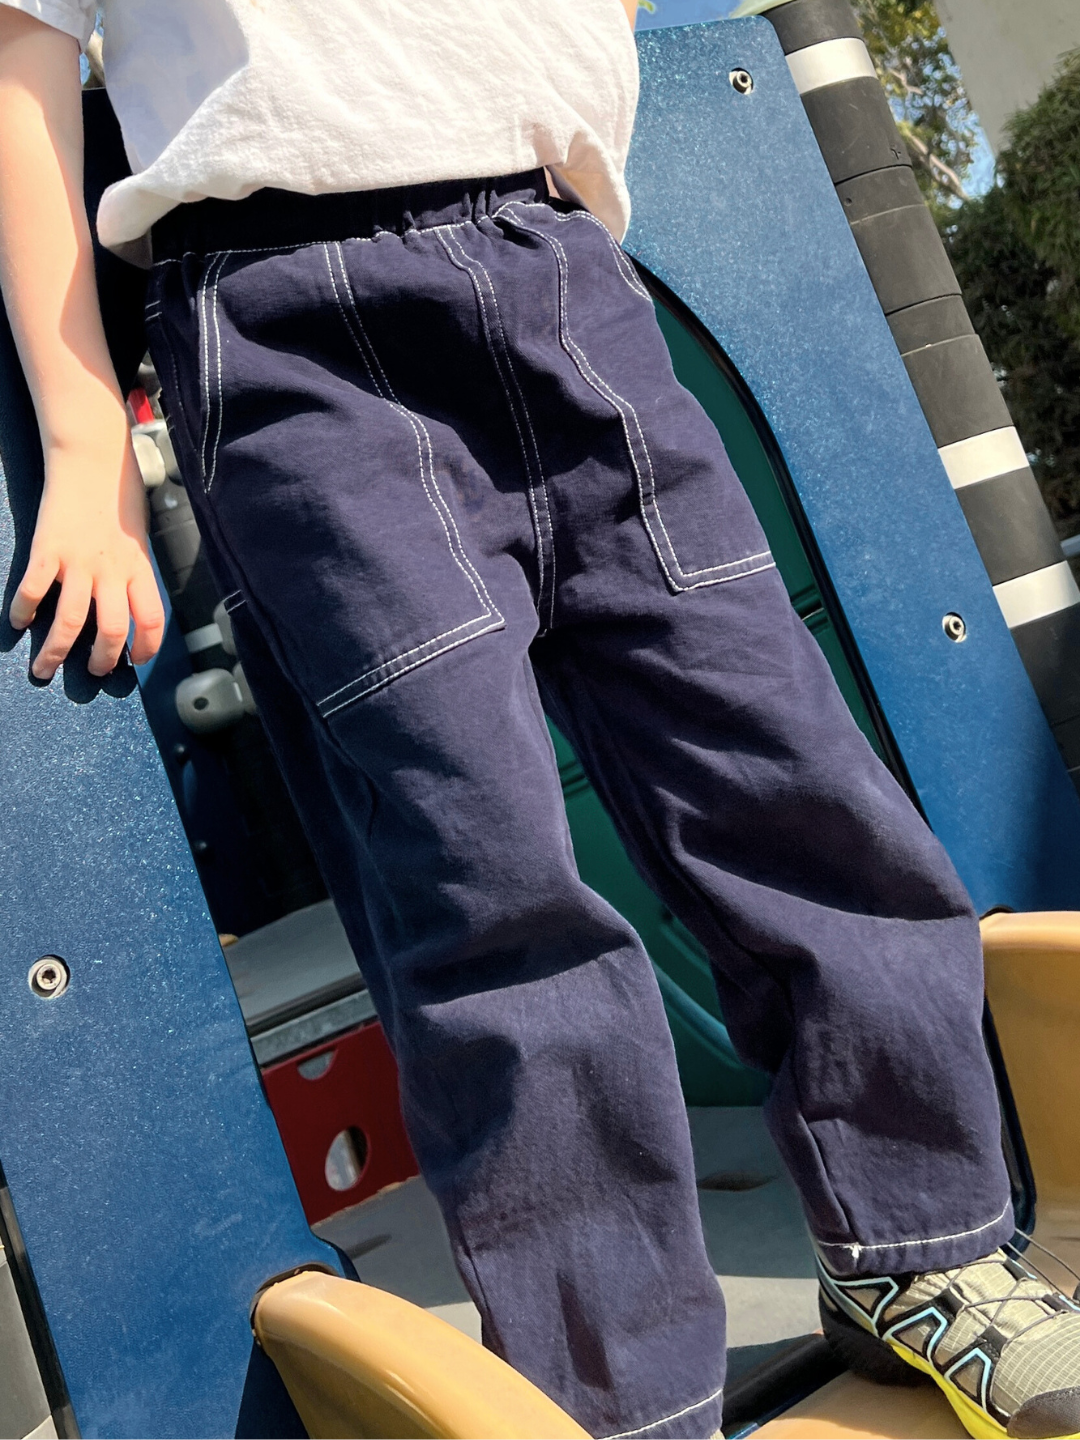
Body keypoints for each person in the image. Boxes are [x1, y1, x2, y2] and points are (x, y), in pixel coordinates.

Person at [0, 4, 1078, 1437]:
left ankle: (923, 1244)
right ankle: (623, 1392)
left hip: (560, 263)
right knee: (485, 877)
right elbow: (25, 63)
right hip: (288, 318)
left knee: (793, 782)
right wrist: (85, 445)